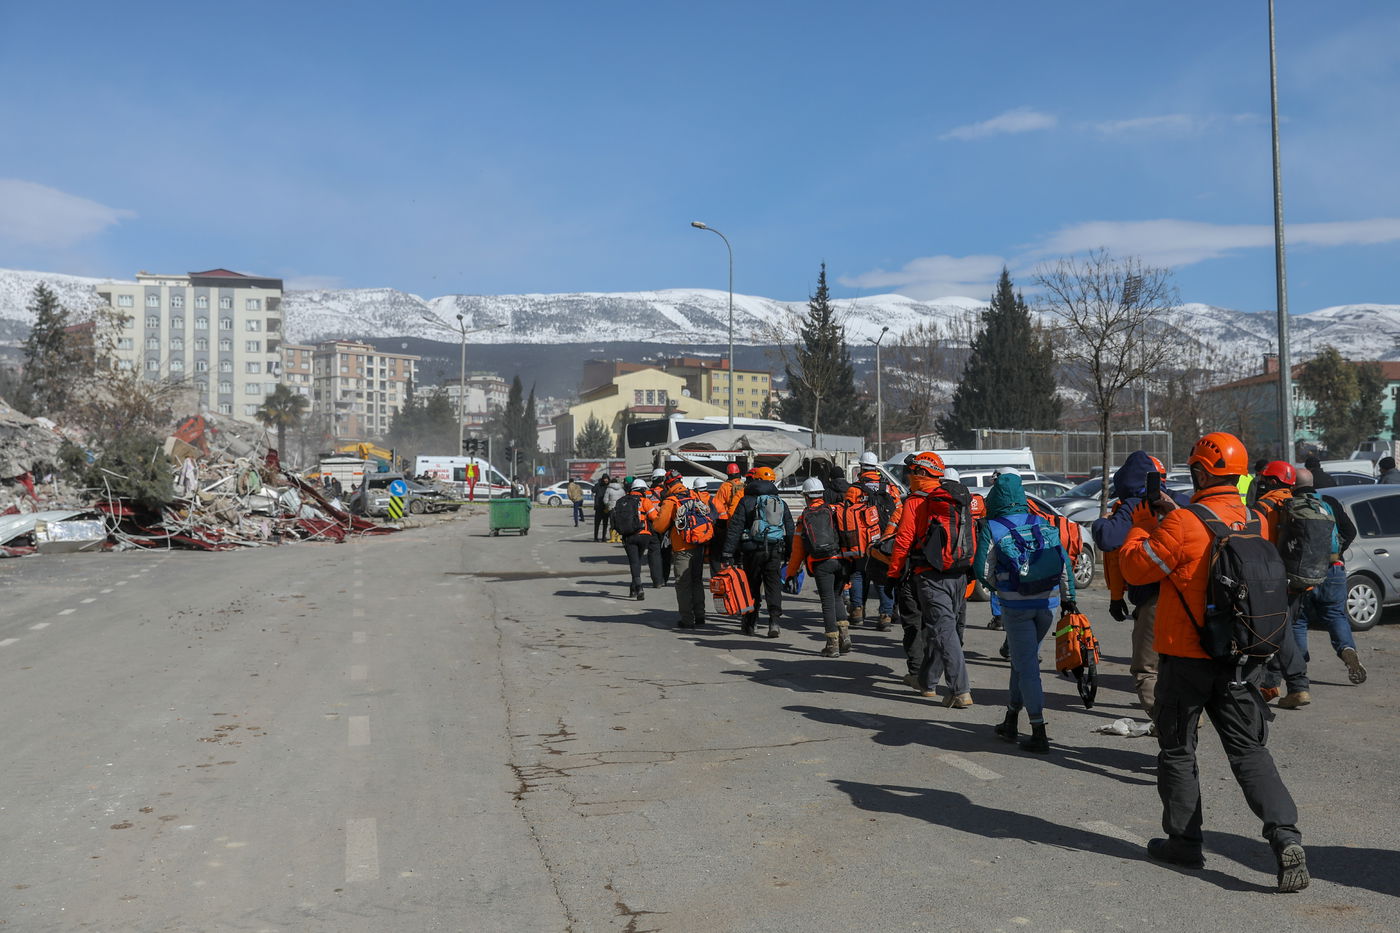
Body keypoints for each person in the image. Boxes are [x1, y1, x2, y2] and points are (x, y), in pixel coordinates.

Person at [1118, 432, 1308, 893]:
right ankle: (1285, 837)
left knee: (1179, 750)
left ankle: (1184, 843)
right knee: (1249, 752)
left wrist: (1144, 525)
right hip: (1241, 657)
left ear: (1201, 473)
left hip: (1185, 659)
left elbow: (1134, 568)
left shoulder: (1181, 522)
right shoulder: (1251, 519)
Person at [976, 470, 1075, 750]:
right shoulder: (1041, 522)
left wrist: (1000, 588)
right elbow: (1064, 564)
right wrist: (1069, 599)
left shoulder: (994, 527)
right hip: (1049, 604)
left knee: (1027, 665)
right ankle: (1010, 718)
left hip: (1016, 605)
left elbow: (982, 570)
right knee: (1023, 660)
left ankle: (1038, 730)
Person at [1092, 451, 1189, 719]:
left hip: (1153, 598)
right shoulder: (1181, 501)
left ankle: (1170, 728)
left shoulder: (1133, 505)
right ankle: (1188, 717)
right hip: (1189, 594)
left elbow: (1109, 540)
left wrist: (1101, 523)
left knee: (1146, 669)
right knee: (1177, 663)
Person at [885, 452, 973, 706]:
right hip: (958, 572)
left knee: (944, 632)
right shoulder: (955, 496)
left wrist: (893, 575)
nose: (909, 475)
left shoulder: (916, 501)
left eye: (913, 471)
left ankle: (960, 690)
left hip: (930, 574)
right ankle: (927, 682)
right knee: (940, 628)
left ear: (922, 473)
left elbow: (903, 540)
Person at [1290, 466, 1367, 686]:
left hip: (1302, 574)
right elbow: (1350, 532)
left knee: (1299, 620)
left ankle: (1299, 668)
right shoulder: (1330, 502)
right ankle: (1347, 649)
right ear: (1313, 483)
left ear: (1292, 485)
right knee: (1335, 615)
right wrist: (1336, 552)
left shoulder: (1289, 504)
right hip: (1333, 569)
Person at [1251, 462, 1312, 709]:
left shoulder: (1263, 507)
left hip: (1274, 581)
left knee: (1281, 633)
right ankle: (1270, 684)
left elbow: (1255, 545)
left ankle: (1299, 685)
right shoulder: (1300, 504)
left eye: (1265, 479)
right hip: (1301, 580)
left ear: (1272, 482)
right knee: (1280, 630)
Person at [722, 465, 793, 638]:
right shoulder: (779, 501)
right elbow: (790, 528)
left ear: (756, 480)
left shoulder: (746, 501)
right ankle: (774, 622)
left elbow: (735, 528)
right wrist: (790, 552)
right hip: (774, 549)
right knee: (773, 585)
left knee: (752, 587)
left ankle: (750, 624)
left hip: (751, 551)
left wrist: (728, 553)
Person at [787, 477, 851, 656]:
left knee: (828, 603)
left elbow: (797, 551)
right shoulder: (835, 510)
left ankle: (832, 645)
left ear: (806, 496)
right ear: (822, 494)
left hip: (821, 564)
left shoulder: (804, 517)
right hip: (841, 560)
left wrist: (791, 573)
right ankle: (845, 637)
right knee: (837, 597)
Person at [849, 451, 902, 631]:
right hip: (883, 542)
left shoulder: (854, 489)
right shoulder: (889, 488)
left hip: (861, 541)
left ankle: (856, 612)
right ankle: (885, 616)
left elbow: (847, 515)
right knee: (882, 578)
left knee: (858, 574)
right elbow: (898, 511)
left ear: (861, 467)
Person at [653, 470, 709, 629]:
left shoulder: (671, 500)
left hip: (682, 547)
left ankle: (687, 619)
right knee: (697, 581)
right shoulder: (694, 495)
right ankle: (700, 615)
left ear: (668, 484)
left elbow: (659, 526)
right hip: (698, 544)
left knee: (683, 583)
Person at [615, 479, 660, 599]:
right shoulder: (645, 501)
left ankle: (638, 587)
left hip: (628, 536)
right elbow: (655, 517)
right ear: (642, 490)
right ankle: (634, 587)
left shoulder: (622, 501)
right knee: (637, 561)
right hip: (644, 535)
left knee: (634, 562)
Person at [711, 463, 746, 574]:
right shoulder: (744, 486)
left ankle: (726, 573)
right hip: (742, 522)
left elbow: (717, 505)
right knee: (740, 550)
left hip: (727, 523)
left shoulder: (725, 487)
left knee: (724, 550)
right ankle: (741, 570)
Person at [646, 469, 673, 583]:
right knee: (666, 553)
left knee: (654, 553)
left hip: (651, 525)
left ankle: (657, 580)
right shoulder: (668, 493)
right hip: (666, 525)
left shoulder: (647, 493)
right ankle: (664, 579)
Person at [592, 475, 612, 542]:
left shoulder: (609, 486)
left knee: (605, 523)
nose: (606, 480)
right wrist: (597, 484)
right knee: (597, 523)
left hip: (606, 507)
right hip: (598, 506)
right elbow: (593, 490)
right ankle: (595, 537)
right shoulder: (598, 485)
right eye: (604, 479)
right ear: (602, 479)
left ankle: (604, 537)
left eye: (607, 479)